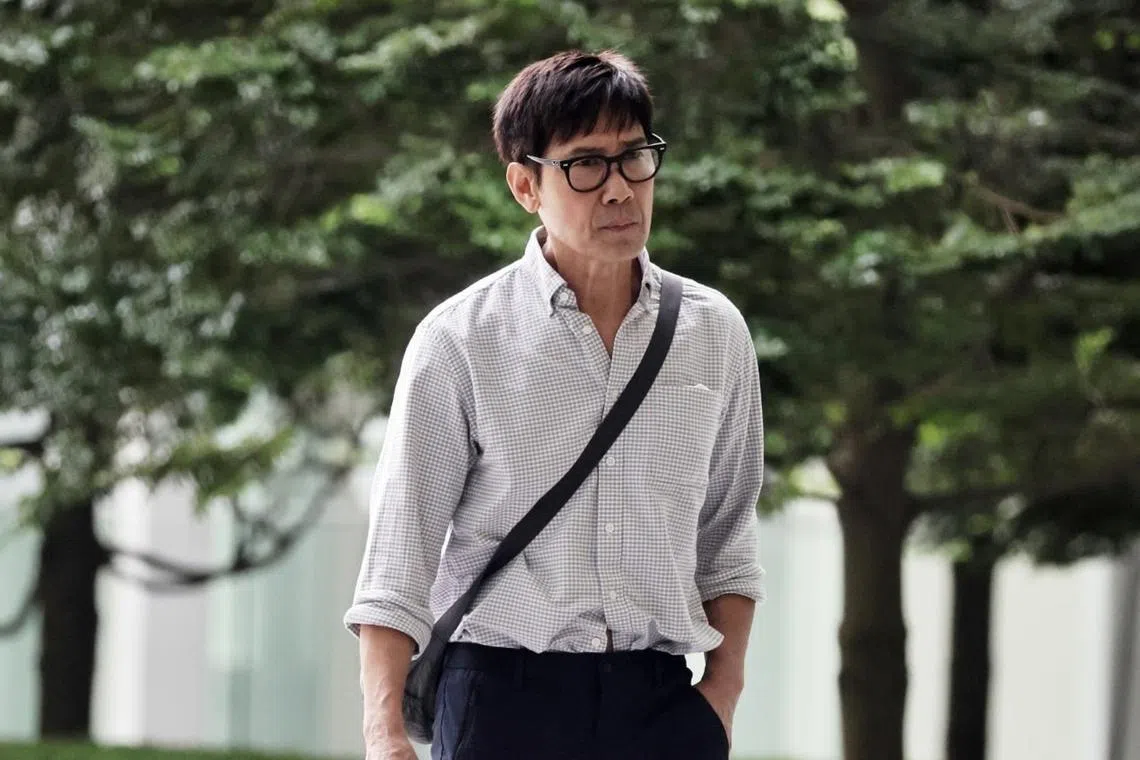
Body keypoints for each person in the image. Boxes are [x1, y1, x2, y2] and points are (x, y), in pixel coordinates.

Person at [344, 49, 765, 760]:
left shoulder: (713, 332)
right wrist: (385, 735)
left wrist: (721, 695)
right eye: (586, 164)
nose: (619, 189)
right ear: (525, 185)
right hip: (503, 704)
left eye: (634, 157)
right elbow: (399, 557)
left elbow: (727, 537)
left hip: (663, 706)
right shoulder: (460, 339)